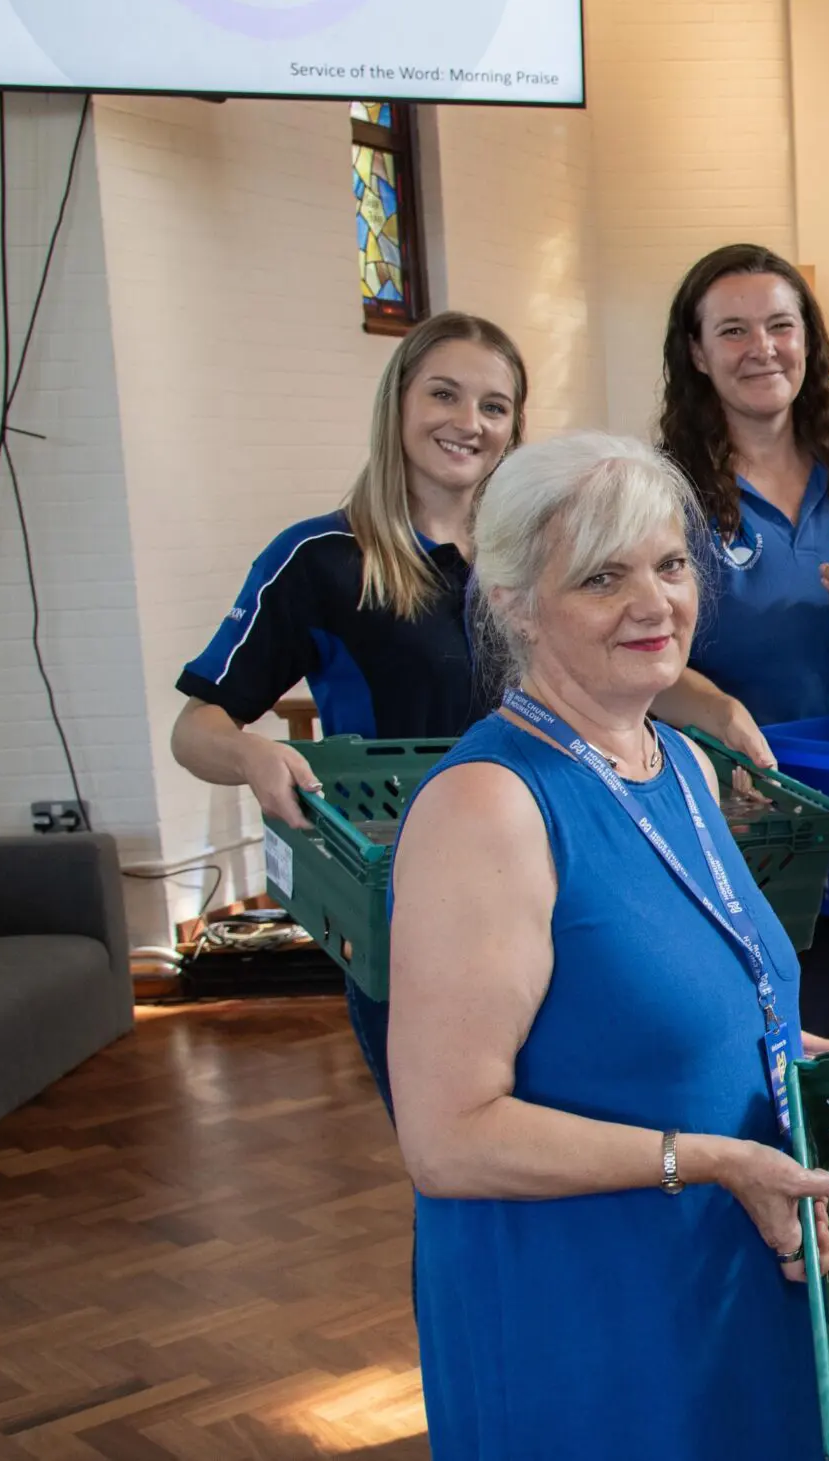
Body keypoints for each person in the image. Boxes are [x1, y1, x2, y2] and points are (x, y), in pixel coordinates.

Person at [387, 432, 829, 1461]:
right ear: (511, 601)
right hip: (589, 1324)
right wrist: (706, 1156)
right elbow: (449, 1136)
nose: (656, 603)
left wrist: (815, 1064)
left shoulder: (674, 758)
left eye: (671, 564)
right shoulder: (489, 806)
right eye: (603, 576)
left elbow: (681, 1014)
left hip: (721, 1287)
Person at [171, 312, 528, 1114]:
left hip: (542, 881)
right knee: (457, 1146)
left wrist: (711, 706)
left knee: (558, 1144)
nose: (469, 423)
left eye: (495, 406)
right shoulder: (322, 560)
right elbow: (196, 727)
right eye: (445, 394)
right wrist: (258, 759)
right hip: (401, 899)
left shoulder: (531, 558)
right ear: (397, 402)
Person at [654, 244, 829, 1047]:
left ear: (808, 343)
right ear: (698, 354)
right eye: (734, 330)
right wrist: (717, 706)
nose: (762, 348)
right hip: (742, 822)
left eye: (781, 325)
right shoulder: (662, 497)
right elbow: (629, 660)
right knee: (773, 1061)